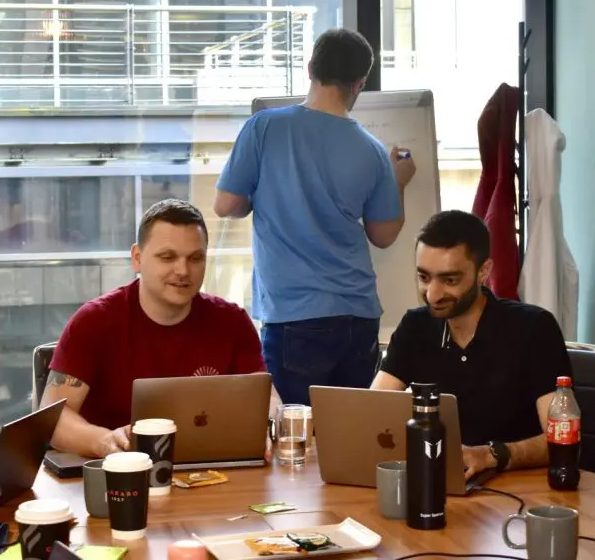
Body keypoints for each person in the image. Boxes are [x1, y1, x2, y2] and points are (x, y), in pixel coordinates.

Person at [213, 27, 417, 406]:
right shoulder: (372, 151)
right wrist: (399, 180)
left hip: (294, 317)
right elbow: (384, 234)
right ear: (360, 83)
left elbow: (226, 205)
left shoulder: (265, 127)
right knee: (350, 434)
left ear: (310, 68)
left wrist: (262, 194)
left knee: (294, 437)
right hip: (358, 315)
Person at [42, 199, 271, 459]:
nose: (183, 271)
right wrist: (105, 441)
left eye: (195, 258)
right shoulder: (93, 321)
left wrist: (271, 427)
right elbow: (52, 418)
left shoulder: (232, 321)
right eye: (167, 257)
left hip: (211, 473)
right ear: (137, 258)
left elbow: (265, 401)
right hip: (114, 474)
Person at [371, 210, 573, 480]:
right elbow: (372, 411)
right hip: (441, 481)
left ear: (483, 271)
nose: (433, 294)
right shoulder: (415, 326)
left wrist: (491, 455)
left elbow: (561, 438)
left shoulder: (533, 328)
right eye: (424, 277)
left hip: (518, 488)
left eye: (449, 280)